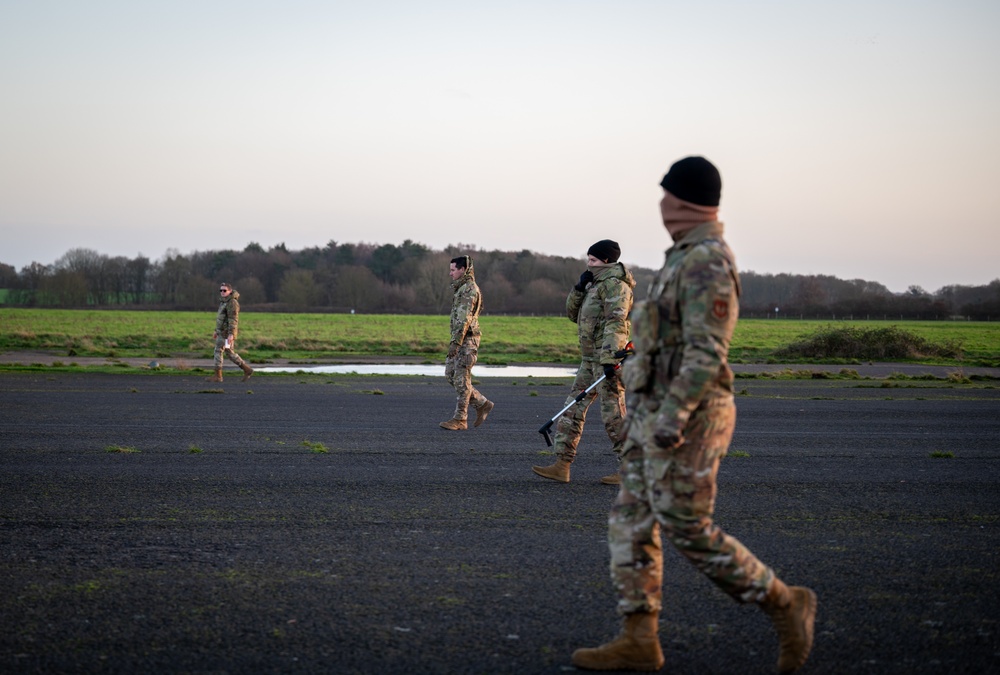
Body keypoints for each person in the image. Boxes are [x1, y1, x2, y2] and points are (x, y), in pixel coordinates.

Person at [570, 157, 817, 673]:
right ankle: (639, 637)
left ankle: (785, 602)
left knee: (688, 527)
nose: (660, 205)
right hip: (652, 414)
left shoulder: (706, 260)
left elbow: (707, 352)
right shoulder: (681, 258)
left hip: (689, 420)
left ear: (682, 201)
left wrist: (672, 418)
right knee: (631, 520)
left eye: (665, 196)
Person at [532, 240, 634, 484]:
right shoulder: (593, 284)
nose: (589, 263)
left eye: (594, 260)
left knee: (614, 416)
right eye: (588, 258)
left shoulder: (616, 286)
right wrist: (579, 289)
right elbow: (572, 315)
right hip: (589, 360)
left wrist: (610, 358)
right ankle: (562, 465)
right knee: (572, 409)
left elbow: (616, 322)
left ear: (607, 261)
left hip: (607, 360)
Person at [440, 255, 494, 430]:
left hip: (467, 340)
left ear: (463, 270)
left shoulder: (469, 290)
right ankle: (481, 402)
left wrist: (456, 342)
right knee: (451, 375)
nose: (450, 273)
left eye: (453, 270)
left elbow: (464, 319)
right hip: (460, 339)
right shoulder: (461, 288)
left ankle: (460, 419)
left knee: (462, 378)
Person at [206, 282, 253, 383]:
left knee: (218, 351)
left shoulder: (232, 303)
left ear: (230, 291)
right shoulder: (224, 302)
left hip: (226, 333)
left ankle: (218, 376)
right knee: (230, 353)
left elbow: (233, 319)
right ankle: (247, 369)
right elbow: (221, 319)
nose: (222, 292)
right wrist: (216, 330)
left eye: (224, 290)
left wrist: (231, 334)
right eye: (221, 290)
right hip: (222, 332)